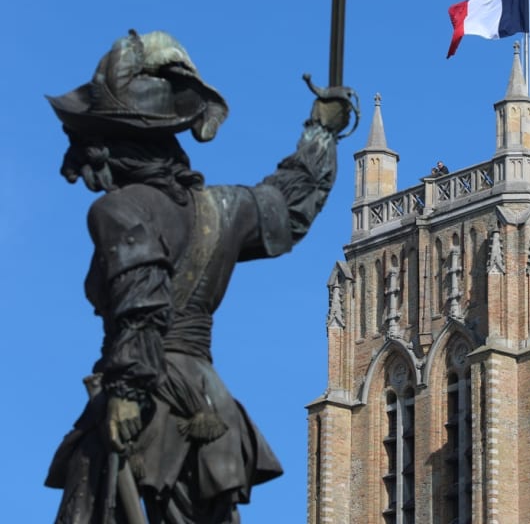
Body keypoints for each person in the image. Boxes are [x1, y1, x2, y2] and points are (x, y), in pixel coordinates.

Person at [44, 30, 354, 524]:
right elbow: (288, 204)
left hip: (147, 406)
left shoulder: (119, 211)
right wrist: (319, 133)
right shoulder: (223, 209)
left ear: (113, 142)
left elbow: (141, 304)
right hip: (207, 402)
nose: (79, 166)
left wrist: (126, 394)